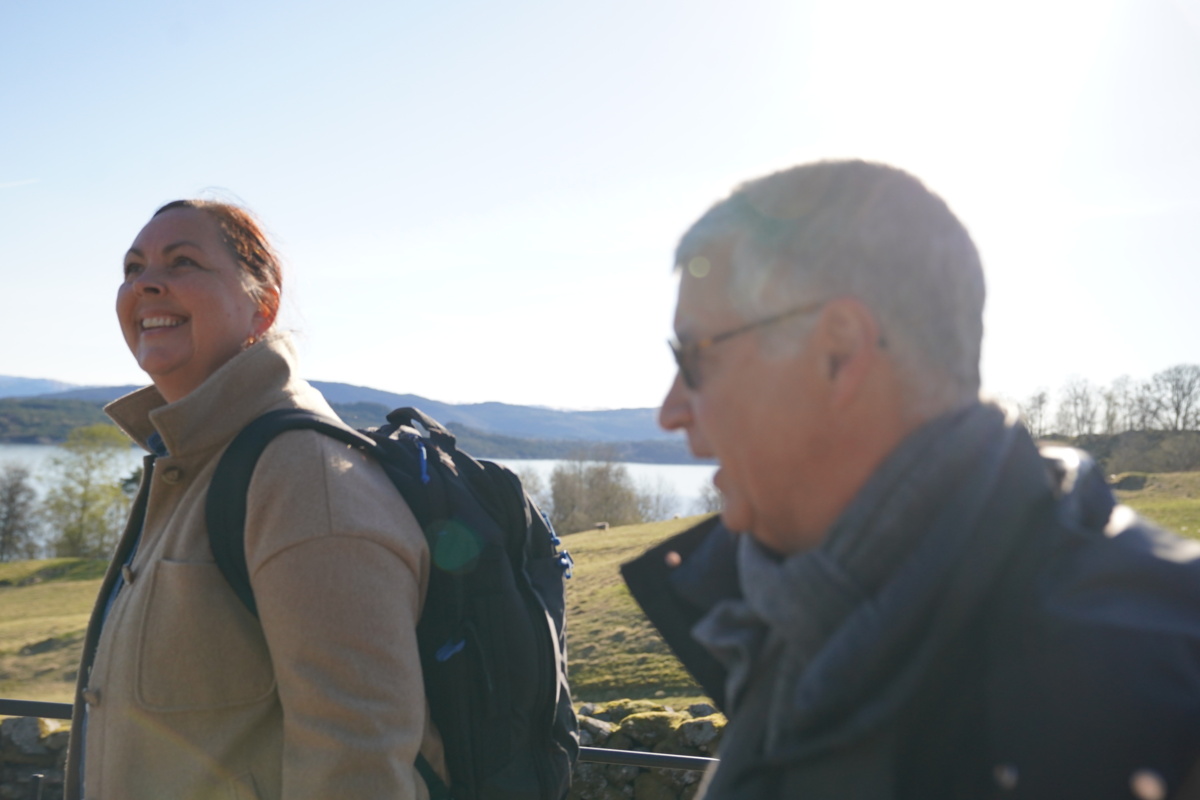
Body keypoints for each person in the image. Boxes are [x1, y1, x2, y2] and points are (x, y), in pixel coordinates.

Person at [622, 160, 1200, 799]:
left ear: (839, 352)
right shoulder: (797, 608)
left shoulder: (1163, 689)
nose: (670, 411)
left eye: (695, 356)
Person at [64, 199, 445, 800]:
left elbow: (359, 761)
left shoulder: (304, 477)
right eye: (132, 268)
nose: (146, 283)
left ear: (261, 304)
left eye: (182, 261)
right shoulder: (196, 460)